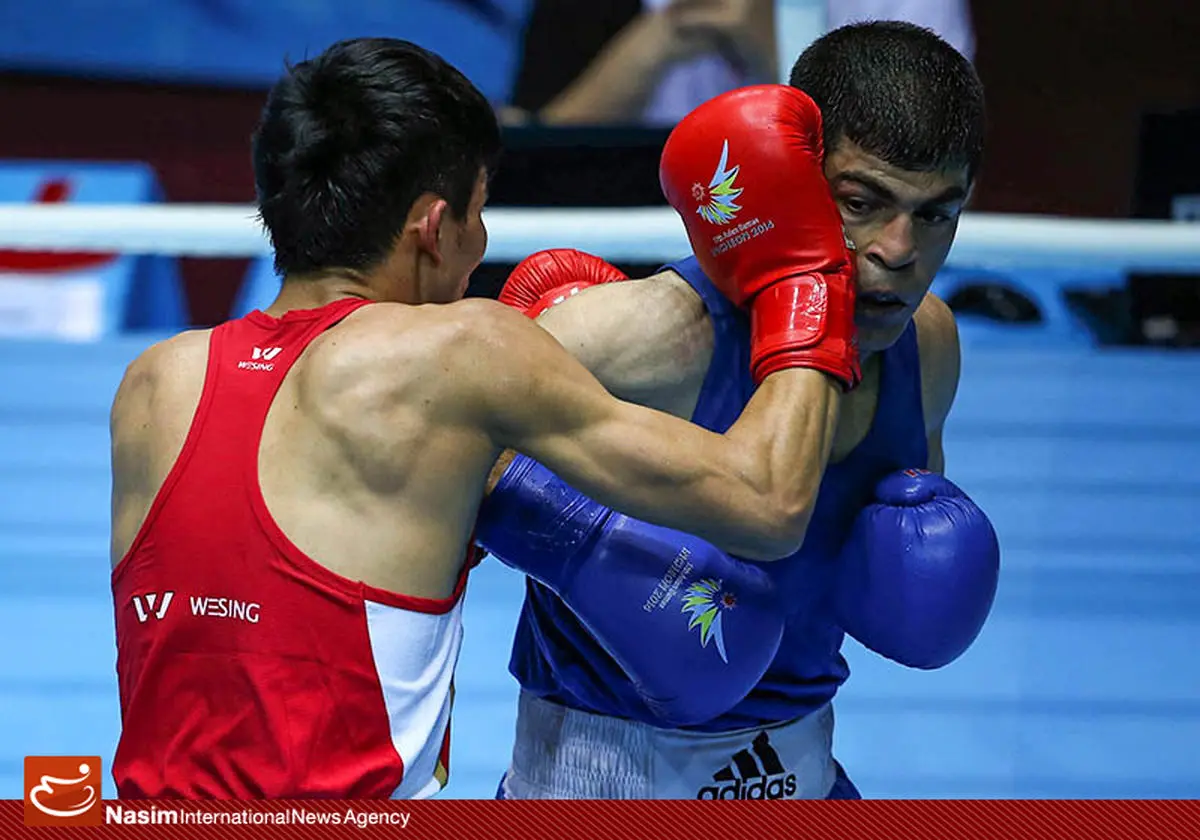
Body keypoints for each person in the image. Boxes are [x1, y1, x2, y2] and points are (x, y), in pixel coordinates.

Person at [107, 37, 861, 799]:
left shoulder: (152, 385)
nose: (484, 245)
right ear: (434, 228)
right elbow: (767, 503)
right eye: (479, 211)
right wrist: (803, 275)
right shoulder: (461, 353)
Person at [476, 20, 1001, 800]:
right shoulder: (652, 336)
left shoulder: (928, 348)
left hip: (806, 779)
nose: (898, 248)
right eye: (862, 202)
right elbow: (411, 448)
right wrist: (561, 532)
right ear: (794, 181)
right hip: (592, 786)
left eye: (934, 214)